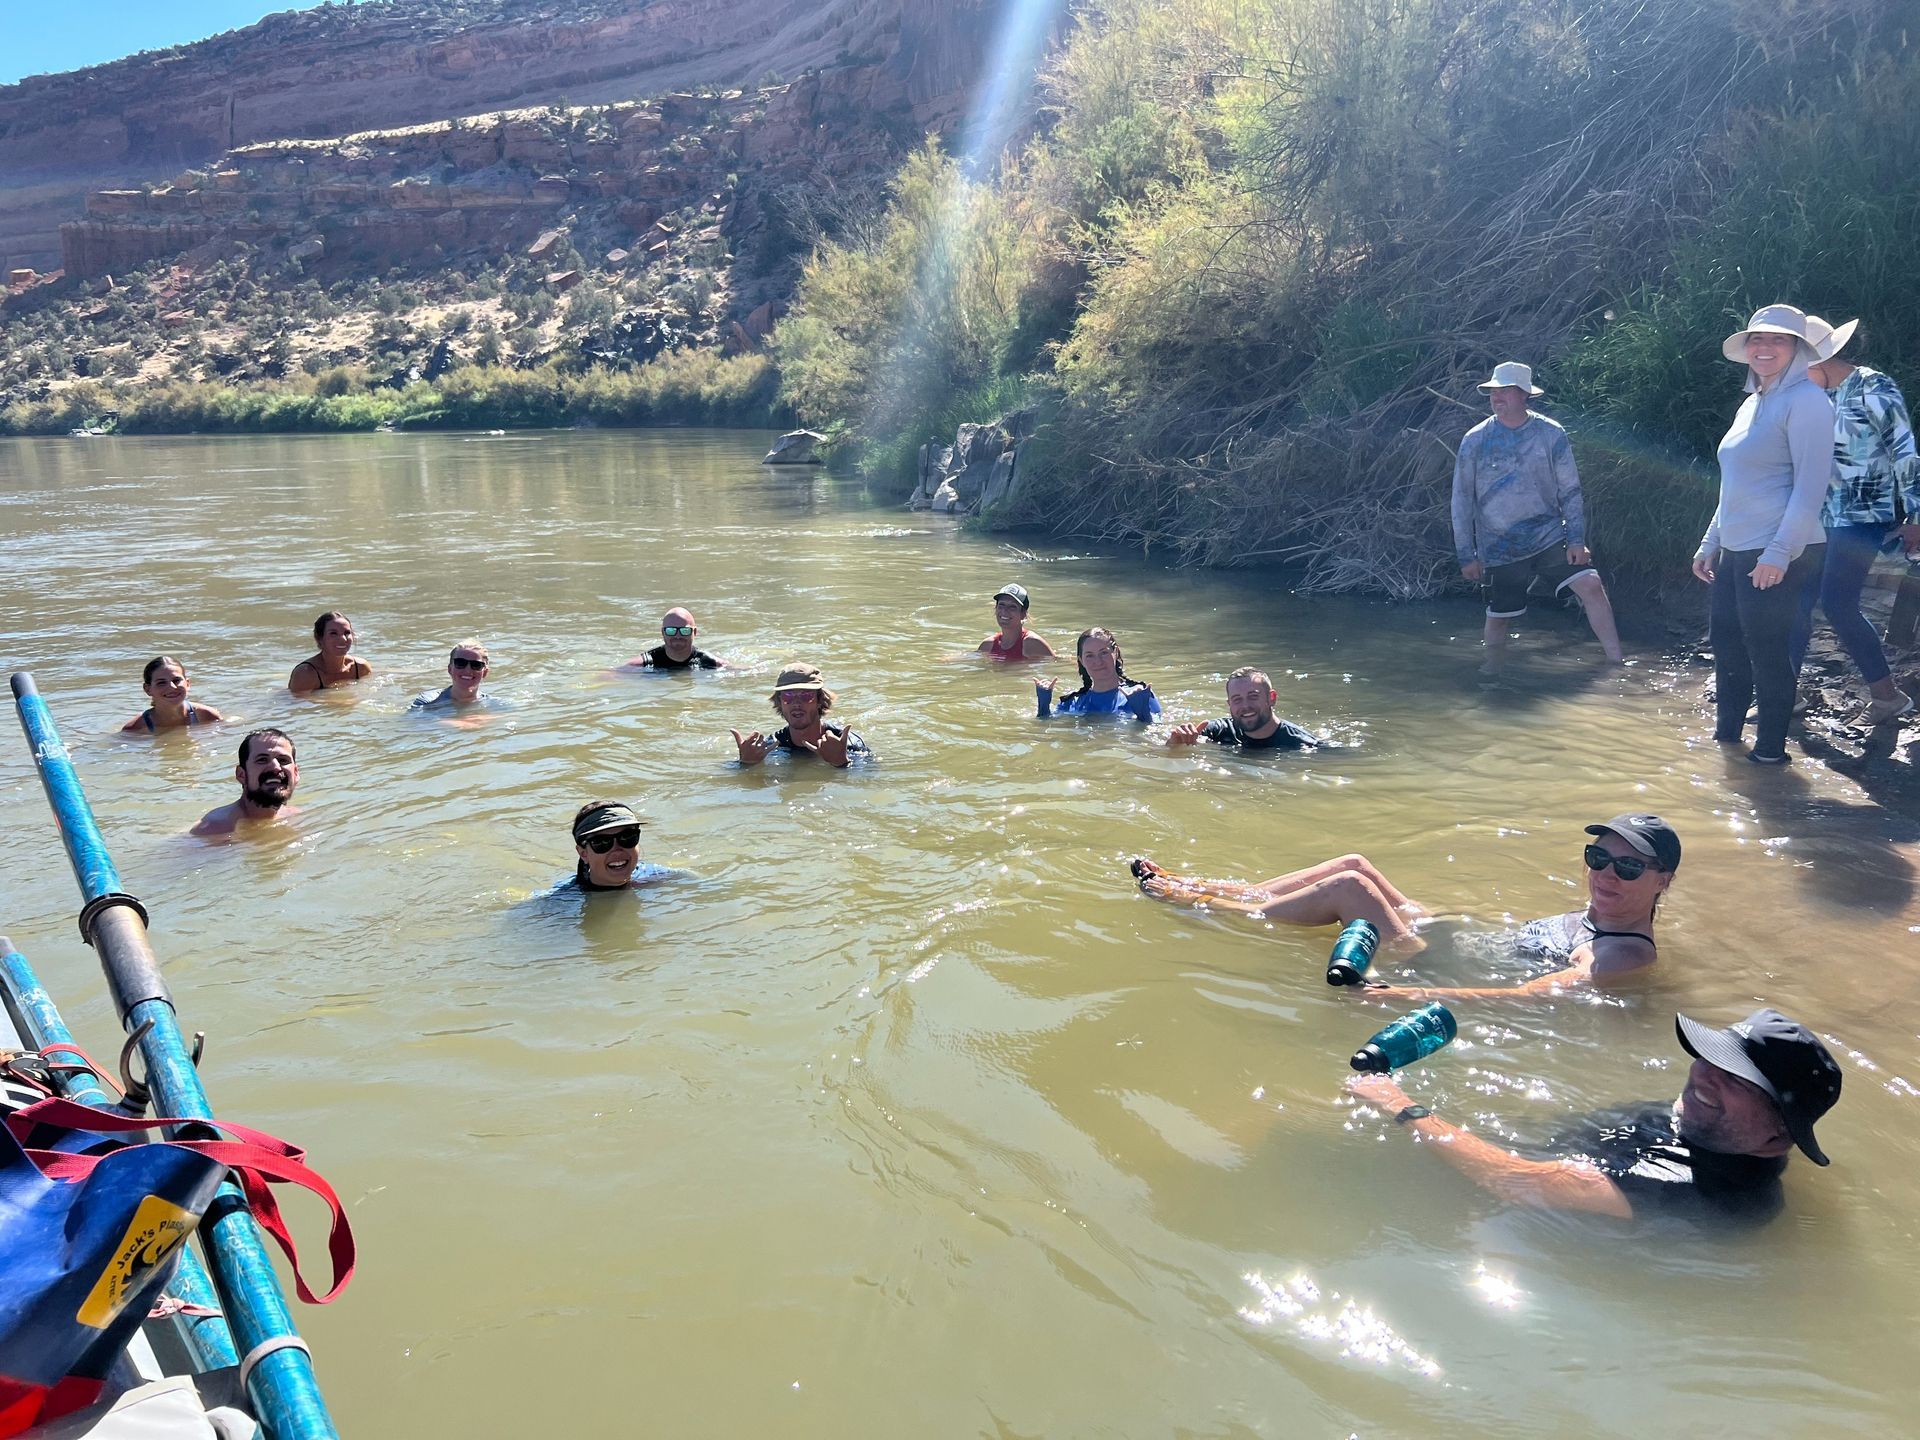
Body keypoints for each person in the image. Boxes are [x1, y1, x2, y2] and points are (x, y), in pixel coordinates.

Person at [1347, 1007, 1843, 1226]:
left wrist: (1398, 1104)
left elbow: (1514, 1180)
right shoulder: (1700, 1122)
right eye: (1710, 1058)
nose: (1704, 1078)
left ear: (1780, 1135)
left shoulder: (1717, 1195)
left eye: (1736, 1078)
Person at [1132, 812, 1677, 994]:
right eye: (1598, 857)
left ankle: (1201, 905)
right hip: (1453, 934)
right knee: (1354, 864)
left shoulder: (1622, 954)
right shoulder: (1601, 916)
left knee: (1351, 891)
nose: (1605, 874)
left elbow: (1531, 998)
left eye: (1628, 867)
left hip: (1438, 959)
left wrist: (1397, 995)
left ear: (1662, 882)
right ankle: (1203, 882)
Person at [1693, 305, 1834, 764]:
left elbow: (1811, 486)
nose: (1765, 348)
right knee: (1727, 645)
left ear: (1797, 349)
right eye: (1757, 339)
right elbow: (1733, 484)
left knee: (1768, 652)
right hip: (1738, 546)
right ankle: (1727, 745)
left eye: (1778, 340)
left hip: (1782, 549)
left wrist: (1778, 552)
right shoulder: (1753, 402)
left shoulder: (1809, 402)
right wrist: (1710, 542)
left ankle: (1770, 755)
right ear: (1747, 348)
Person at [1451, 362, 1623, 671]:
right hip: (1499, 545)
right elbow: (1461, 500)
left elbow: (1570, 489)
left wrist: (1576, 540)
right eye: (1494, 391)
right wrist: (1467, 555)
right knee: (1499, 618)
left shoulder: (1550, 433)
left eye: (1505, 391)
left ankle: (1616, 664)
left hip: (1548, 537)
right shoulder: (1474, 440)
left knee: (1591, 584)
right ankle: (1491, 676)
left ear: (1524, 395)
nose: (1497, 397)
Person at [1790, 315, 1919, 725]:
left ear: (1820, 359)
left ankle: (1887, 696)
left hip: (1863, 515)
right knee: (1797, 599)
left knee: (1836, 602)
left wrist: (1916, 514)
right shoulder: (1815, 396)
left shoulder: (1872, 385)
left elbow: (1904, 451)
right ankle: (1785, 693)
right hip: (1818, 516)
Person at [730, 664, 871, 767]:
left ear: (819, 701)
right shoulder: (771, 747)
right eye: (788, 696)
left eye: (806, 695)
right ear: (780, 702)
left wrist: (842, 763)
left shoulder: (848, 744)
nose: (796, 703)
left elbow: (870, 780)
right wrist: (746, 764)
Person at [1166, 666, 1321, 750]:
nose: (1245, 706)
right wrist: (1175, 743)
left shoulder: (1302, 745)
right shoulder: (1219, 731)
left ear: (1271, 698)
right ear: (1230, 705)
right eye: (1237, 699)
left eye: (1253, 696)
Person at [1036, 627, 1161, 721]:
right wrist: (1043, 706)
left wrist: (1143, 715)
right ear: (1081, 661)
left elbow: (1157, 739)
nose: (1098, 661)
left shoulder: (1138, 695)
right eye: (1090, 656)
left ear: (1115, 652)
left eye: (1104, 653)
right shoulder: (1073, 703)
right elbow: (1046, 730)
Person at [191, 729, 299, 836]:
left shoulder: (296, 818)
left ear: (295, 774)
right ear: (241, 775)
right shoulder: (212, 829)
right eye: (262, 760)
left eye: (283, 760)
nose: (275, 767)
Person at [566, 801, 671, 892]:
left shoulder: (660, 877)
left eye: (627, 837)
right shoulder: (561, 900)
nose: (617, 850)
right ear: (583, 853)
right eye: (602, 842)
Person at [122, 655, 226, 732]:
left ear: (188, 684)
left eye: (176, 680)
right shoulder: (134, 728)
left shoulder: (208, 716)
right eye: (161, 683)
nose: (172, 687)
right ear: (148, 689)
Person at [288, 612, 372, 694]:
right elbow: (297, 705)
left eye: (347, 633)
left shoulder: (361, 667)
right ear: (319, 638)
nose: (343, 639)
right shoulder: (305, 673)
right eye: (333, 633)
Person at [621, 608, 726, 671]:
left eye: (684, 631)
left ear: (694, 632)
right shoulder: (641, 665)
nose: (677, 636)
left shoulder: (711, 663)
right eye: (671, 631)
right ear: (663, 632)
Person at [975, 584, 1056, 662]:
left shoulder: (1031, 642)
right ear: (996, 609)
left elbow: (1058, 664)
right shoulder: (988, 645)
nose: (1004, 610)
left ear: (1023, 614)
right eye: (1001, 605)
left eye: (1012, 607)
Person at [412, 639, 492, 710]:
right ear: (450, 669)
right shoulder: (426, 703)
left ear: (485, 672)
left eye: (476, 665)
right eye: (460, 663)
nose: (468, 670)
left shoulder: (494, 705)